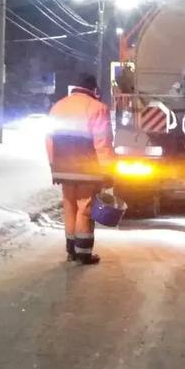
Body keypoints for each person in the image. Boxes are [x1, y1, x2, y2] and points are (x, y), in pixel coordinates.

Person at [46, 75, 113, 265]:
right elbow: (103, 144)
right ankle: (83, 252)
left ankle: (71, 250)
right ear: (93, 89)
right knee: (85, 208)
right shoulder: (97, 108)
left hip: (63, 168)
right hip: (87, 169)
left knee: (69, 207)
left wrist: (53, 166)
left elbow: (49, 140)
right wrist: (107, 172)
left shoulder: (58, 106)